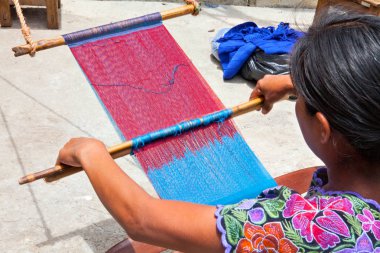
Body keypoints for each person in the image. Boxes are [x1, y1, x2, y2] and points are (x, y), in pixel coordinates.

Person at [56, 9, 380, 253]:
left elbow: (141, 220)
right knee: (308, 176)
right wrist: (293, 83)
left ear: (323, 129)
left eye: (303, 96)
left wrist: (91, 153)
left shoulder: (300, 227)